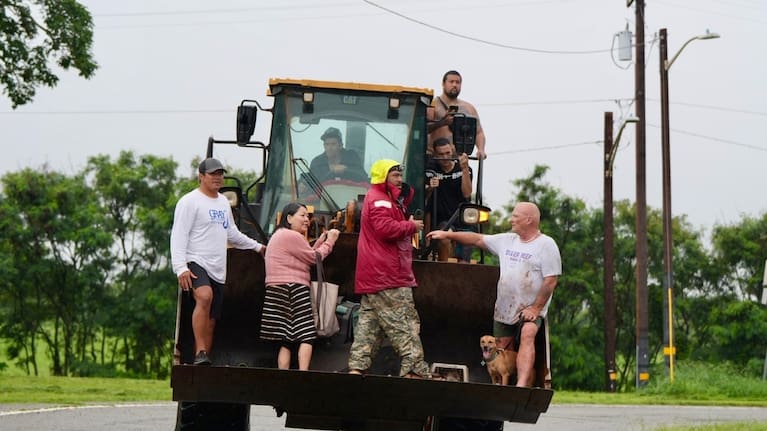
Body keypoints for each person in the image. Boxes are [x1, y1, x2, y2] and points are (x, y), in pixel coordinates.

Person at [426, 202, 561, 387]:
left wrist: (536, 308)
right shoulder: (507, 240)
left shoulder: (546, 245)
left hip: (529, 309)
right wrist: (448, 234)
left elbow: (551, 280)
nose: (511, 219)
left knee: (528, 334)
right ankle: (503, 387)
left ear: (529, 219)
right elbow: (476, 239)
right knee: (503, 348)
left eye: (515, 216)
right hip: (504, 309)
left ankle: (521, 385)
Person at [170, 157, 266, 366]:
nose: (218, 178)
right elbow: (178, 235)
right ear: (201, 176)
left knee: (212, 319)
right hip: (196, 260)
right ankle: (200, 352)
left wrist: (258, 247)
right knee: (204, 297)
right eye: (213, 174)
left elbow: (231, 233)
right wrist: (180, 268)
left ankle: (204, 360)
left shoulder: (223, 202)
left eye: (220, 174)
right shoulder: (189, 202)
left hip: (218, 267)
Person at [347, 159, 431, 378]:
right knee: (404, 323)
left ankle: (357, 367)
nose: (400, 180)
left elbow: (404, 198)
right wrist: (412, 226)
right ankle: (414, 370)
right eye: (395, 175)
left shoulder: (383, 198)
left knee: (369, 324)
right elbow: (385, 229)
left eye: (400, 175)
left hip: (377, 273)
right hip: (388, 273)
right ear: (383, 177)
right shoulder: (380, 201)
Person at [260, 202, 340, 370]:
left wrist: (319, 242)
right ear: (289, 218)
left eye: (307, 216)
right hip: (293, 288)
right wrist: (330, 241)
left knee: (286, 339)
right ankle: (303, 375)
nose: (307, 220)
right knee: (306, 335)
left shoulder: (279, 235)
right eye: (302, 215)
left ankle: (284, 376)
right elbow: (314, 258)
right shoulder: (292, 236)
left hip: (276, 288)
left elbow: (304, 254)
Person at [425, 137, 473, 262]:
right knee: (443, 237)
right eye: (441, 154)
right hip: (443, 219)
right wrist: (430, 187)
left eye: (448, 153)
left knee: (464, 260)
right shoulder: (430, 169)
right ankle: (442, 269)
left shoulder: (464, 168)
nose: (445, 157)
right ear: (435, 154)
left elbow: (467, 193)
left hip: (462, 218)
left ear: (452, 150)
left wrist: (465, 169)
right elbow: (425, 199)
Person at [427, 70, 487, 159]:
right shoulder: (432, 105)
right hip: (436, 159)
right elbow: (425, 129)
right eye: (451, 82)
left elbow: (479, 132)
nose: (454, 85)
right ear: (443, 84)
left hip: (459, 160)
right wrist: (443, 122)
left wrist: (481, 150)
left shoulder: (469, 108)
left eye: (457, 82)